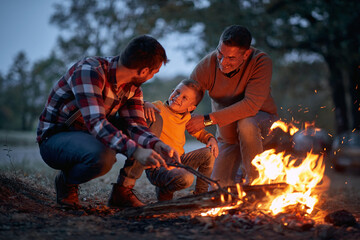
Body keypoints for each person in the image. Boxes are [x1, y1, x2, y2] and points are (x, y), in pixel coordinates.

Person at [37, 35, 180, 208]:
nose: (152, 76)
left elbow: (136, 124)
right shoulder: (90, 71)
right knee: (103, 157)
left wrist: (156, 144)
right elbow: (96, 123)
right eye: (153, 72)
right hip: (57, 138)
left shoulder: (132, 87)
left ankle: (122, 191)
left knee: (152, 119)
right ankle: (66, 182)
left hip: (91, 133)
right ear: (143, 71)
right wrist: (136, 151)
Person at [186, 25, 278, 187]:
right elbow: (186, 95)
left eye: (231, 58)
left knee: (246, 124)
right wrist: (163, 109)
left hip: (262, 125)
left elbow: (250, 106)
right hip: (228, 137)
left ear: (246, 54)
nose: (223, 62)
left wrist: (207, 120)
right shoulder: (207, 66)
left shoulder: (261, 62)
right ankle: (237, 178)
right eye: (220, 54)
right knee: (216, 190)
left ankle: (255, 184)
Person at [143, 79, 218, 201]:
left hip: (179, 161)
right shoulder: (158, 108)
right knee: (187, 179)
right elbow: (136, 109)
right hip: (158, 164)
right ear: (172, 91)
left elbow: (199, 133)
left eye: (184, 98)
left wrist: (210, 138)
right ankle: (165, 190)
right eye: (177, 92)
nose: (177, 98)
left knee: (209, 154)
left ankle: (200, 195)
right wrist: (144, 103)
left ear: (191, 107)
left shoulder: (187, 118)